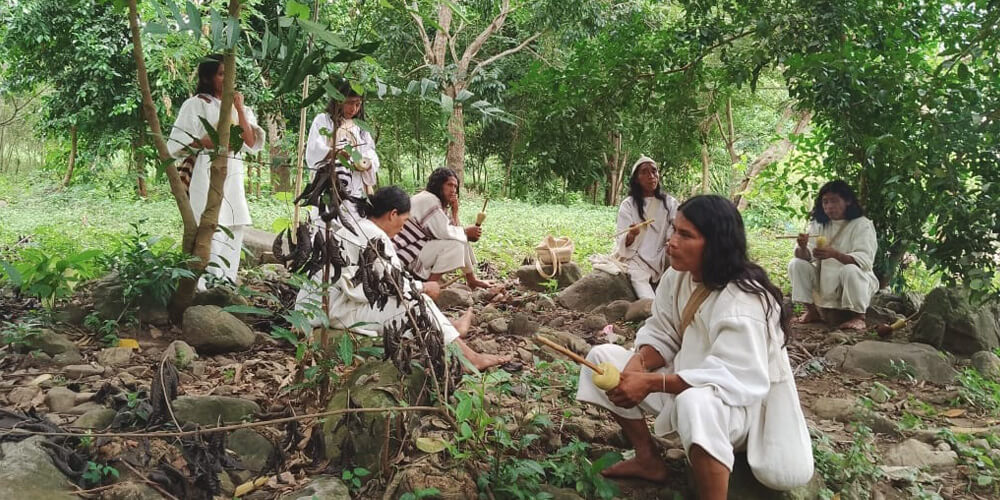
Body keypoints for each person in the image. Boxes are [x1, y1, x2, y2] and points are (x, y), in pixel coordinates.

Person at [576, 195, 797, 500]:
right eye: (674, 230)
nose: (671, 242)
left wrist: (651, 383)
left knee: (696, 402)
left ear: (716, 244)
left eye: (685, 235)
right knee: (602, 358)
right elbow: (663, 331)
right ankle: (647, 459)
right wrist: (638, 365)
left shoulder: (744, 300)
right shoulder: (677, 277)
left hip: (737, 412)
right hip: (684, 385)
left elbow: (735, 377)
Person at [295, 186, 510, 370]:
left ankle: (450, 329)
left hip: (324, 305)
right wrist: (425, 287)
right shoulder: (374, 235)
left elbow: (386, 278)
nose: (402, 227)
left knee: (413, 299)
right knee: (415, 302)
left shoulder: (358, 226)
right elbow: (396, 285)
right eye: (404, 221)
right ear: (393, 214)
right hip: (330, 310)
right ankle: (469, 358)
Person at [168, 54, 265, 289]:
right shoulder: (196, 104)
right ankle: (204, 285)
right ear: (208, 77)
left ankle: (226, 284)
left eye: (229, 73)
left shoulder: (243, 107)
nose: (227, 79)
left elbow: (249, 142)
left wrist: (239, 109)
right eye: (221, 74)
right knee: (211, 224)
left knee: (234, 224)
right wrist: (214, 141)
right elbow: (178, 145)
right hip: (206, 170)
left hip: (233, 173)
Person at [788, 180, 878, 330]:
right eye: (825, 202)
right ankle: (812, 311)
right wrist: (803, 247)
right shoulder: (819, 224)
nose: (829, 206)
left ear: (848, 201)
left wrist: (834, 254)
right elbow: (805, 256)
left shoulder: (862, 224)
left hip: (854, 279)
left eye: (834, 201)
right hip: (824, 279)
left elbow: (864, 261)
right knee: (796, 263)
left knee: (850, 270)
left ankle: (859, 316)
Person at [392, 168, 492, 289]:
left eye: (455, 187)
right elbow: (444, 232)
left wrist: (455, 212)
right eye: (449, 185)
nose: (453, 190)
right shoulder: (428, 200)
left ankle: (471, 280)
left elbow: (453, 231)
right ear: (438, 185)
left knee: (459, 240)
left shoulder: (437, 204)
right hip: (406, 255)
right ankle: (429, 287)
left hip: (416, 251)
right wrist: (465, 232)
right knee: (456, 245)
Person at [305, 82, 380, 221]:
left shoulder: (362, 130)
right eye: (350, 103)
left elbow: (370, 154)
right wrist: (336, 153)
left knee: (352, 230)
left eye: (358, 104)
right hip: (328, 187)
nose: (354, 109)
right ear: (338, 100)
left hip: (355, 193)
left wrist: (366, 162)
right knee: (325, 225)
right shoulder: (323, 121)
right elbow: (314, 150)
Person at [614, 156, 679, 299]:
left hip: (661, 253)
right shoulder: (628, 205)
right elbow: (622, 241)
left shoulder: (670, 203)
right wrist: (631, 235)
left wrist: (671, 239)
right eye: (645, 172)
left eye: (654, 171)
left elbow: (677, 227)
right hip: (637, 258)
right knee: (639, 280)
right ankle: (651, 309)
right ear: (636, 179)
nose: (651, 176)